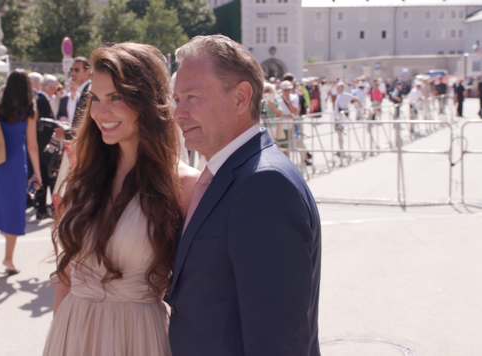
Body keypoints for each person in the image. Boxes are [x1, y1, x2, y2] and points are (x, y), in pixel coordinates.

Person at [166, 34, 321, 356]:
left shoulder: (263, 186)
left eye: (192, 97)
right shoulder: (233, 174)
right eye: (176, 98)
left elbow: (278, 340)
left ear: (240, 98)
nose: (178, 112)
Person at [43, 42, 198, 356]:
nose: (101, 111)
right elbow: (68, 275)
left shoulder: (184, 186)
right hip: (71, 332)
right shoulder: (83, 174)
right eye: (96, 99)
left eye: (116, 98)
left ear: (147, 101)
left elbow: (199, 292)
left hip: (137, 338)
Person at [0, 69, 42, 275]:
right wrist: (37, 173)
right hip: (15, 164)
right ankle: (8, 259)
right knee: (14, 209)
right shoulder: (30, 110)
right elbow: (32, 145)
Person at [33, 74, 59, 220]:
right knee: (50, 176)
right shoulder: (41, 100)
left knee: (43, 176)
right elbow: (44, 125)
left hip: (40, 146)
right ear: (50, 87)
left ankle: (42, 208)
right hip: (46, 146)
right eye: (55, 86)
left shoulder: (40, 99)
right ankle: (49, 208)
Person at [334, 83, 362, 158]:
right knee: (338, 133)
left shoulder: (345, 94)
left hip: (342, 116)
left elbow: (356, 98)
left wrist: (362, 107)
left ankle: (341, 149)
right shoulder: (339, 95)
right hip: (337, 116)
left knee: (340, 132)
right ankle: (340, 149)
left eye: (337, 88)